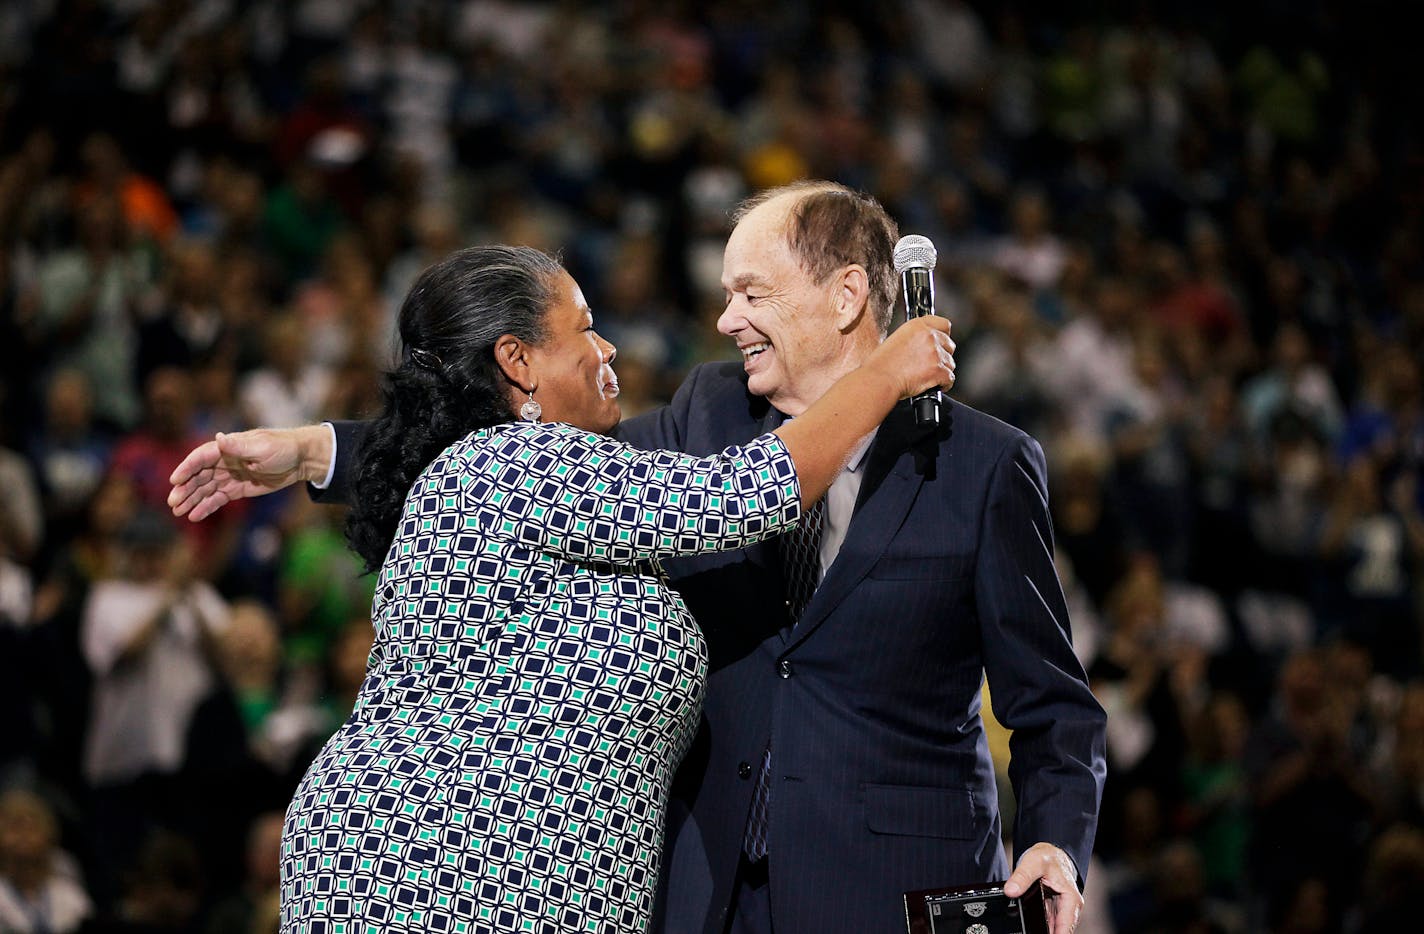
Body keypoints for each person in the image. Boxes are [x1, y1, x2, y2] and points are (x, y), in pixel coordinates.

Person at [170, 183, 1103, 933]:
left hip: (882, 884)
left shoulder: (983, 464)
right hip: (655, 885)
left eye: (751, 292)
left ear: (848, 294)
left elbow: (1053, 703)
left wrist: (1056, 845)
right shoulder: (705, 422)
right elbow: (480, 444)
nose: (726, 318)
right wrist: (317, 449)